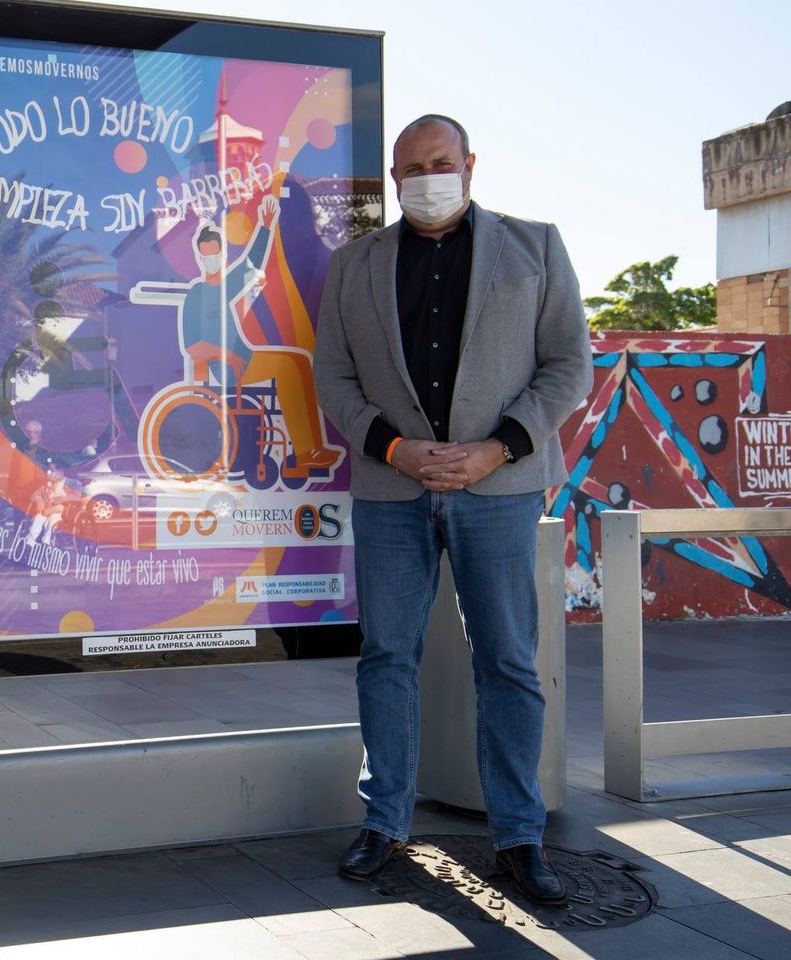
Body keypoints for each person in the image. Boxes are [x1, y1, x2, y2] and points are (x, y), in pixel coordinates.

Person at [313, 114, 591, 904]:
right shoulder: (355, 265)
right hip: (391, 491)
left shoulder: (535, 248)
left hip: (497, 490)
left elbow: (569, 364)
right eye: (411, 167)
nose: (427, 177)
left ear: (470, 165)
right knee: (385, 657)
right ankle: (385, 821)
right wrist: (394, 448)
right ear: (394, 178)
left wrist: (497, 449)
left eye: (441, 162)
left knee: (507, 660)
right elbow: (333, 375)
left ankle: (520, 836)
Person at [131, 193, 342, 475]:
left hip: (243, 359)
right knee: (291, 366)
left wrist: (265, 226)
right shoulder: (196, 295)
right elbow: (193, 347)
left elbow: (251, 265)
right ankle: (306, 452)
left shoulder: (224, 286)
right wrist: (226, 355)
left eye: (215, 254)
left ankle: (309, 450)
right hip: (223, 368)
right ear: (200, 257)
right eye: (206, 255)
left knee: (300, 361)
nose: (212, 259)